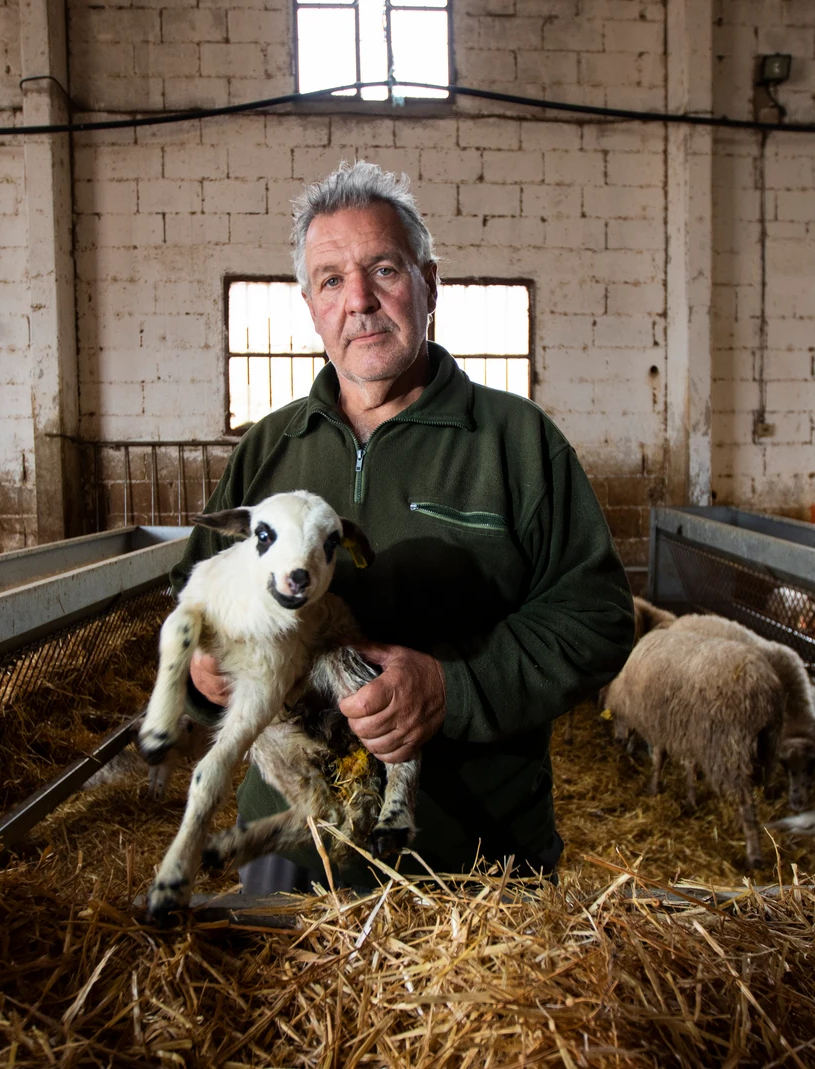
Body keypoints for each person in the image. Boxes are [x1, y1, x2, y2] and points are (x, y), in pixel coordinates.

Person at [170, 161, 635, 892]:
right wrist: (205, 673)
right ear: (311, 305)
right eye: (330, 280)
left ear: (429, 282)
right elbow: (195, 603)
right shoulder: (268, 450)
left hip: (475, 869)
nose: (358, 301)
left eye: (383, 268)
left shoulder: (516, 443)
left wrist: (455, 687)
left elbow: (598, 619)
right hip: (294, 857)